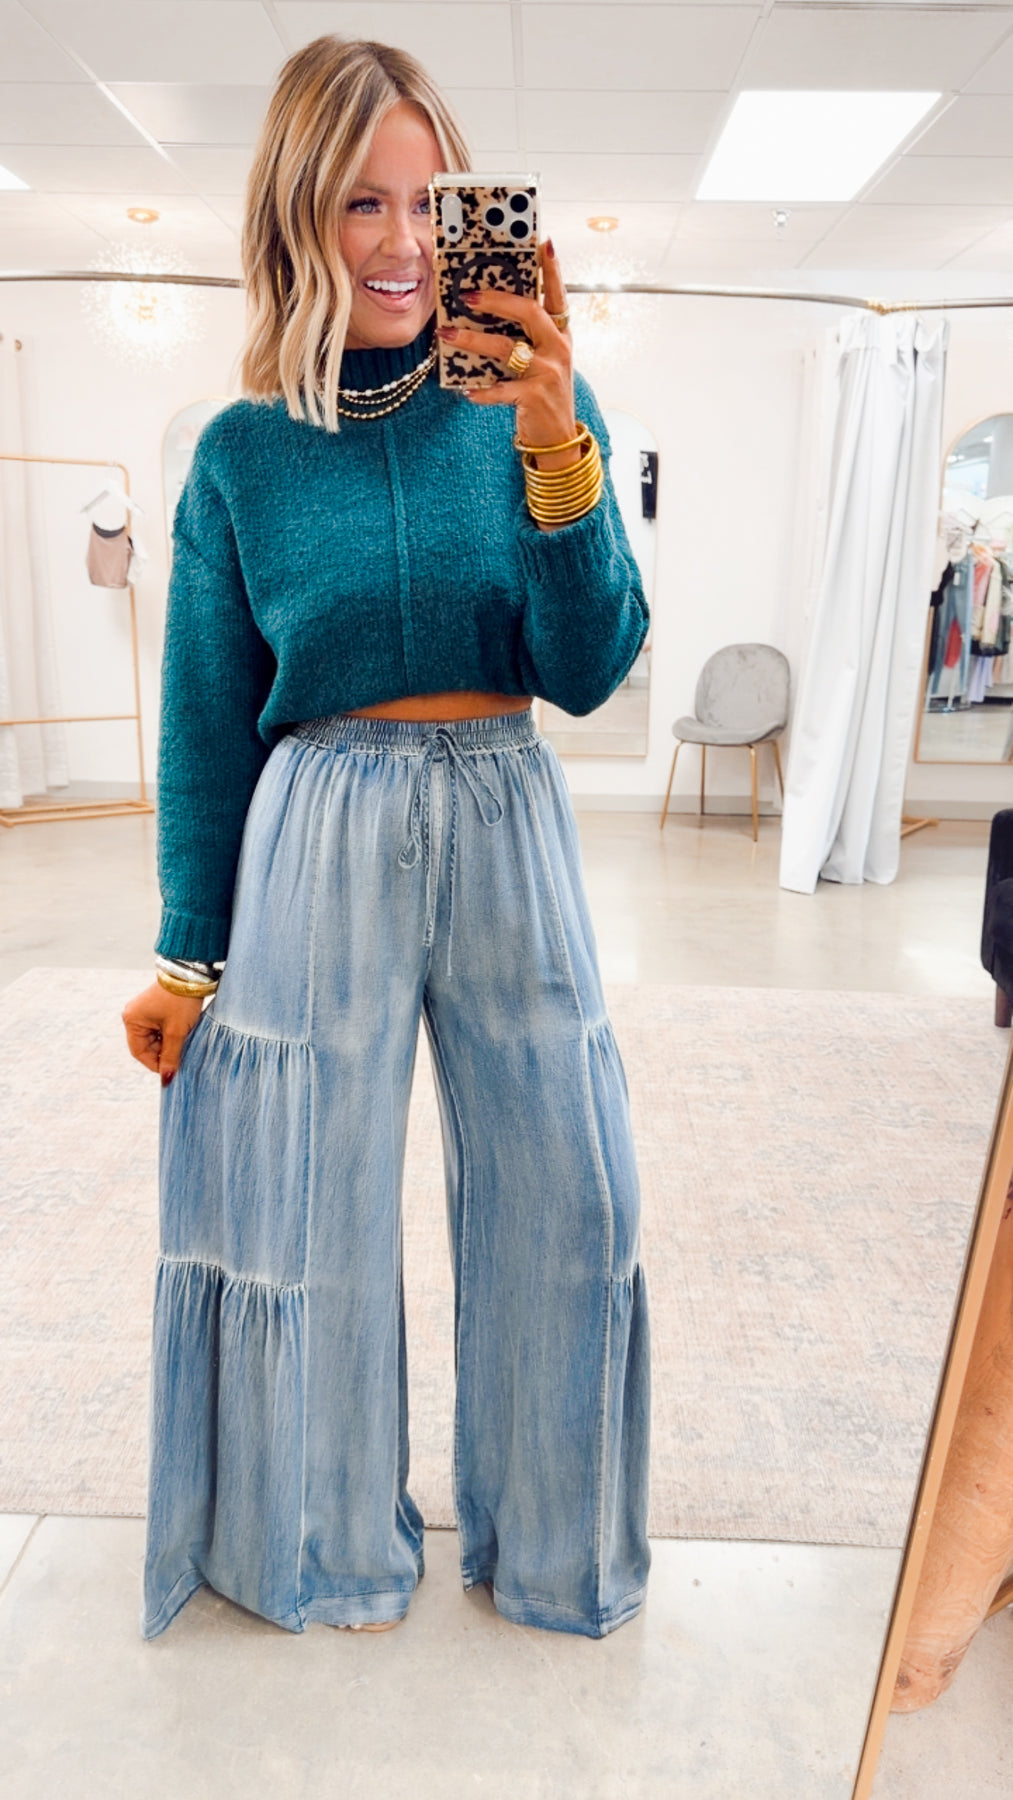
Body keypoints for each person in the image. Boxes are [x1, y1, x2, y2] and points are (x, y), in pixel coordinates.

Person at [122, 34, 651, 1642]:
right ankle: (326, 1547)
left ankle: (554, 1551)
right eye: (363, 200)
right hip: (318, 822)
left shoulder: (533, 406)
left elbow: (591, 665)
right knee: (307, 1210)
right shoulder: (241, 453)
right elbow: (205, 723)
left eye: (433, 201)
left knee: (573, 1198)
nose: (407, 240)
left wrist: (555, 443)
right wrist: (187, 956)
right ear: (297, 212)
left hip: (506, 809)